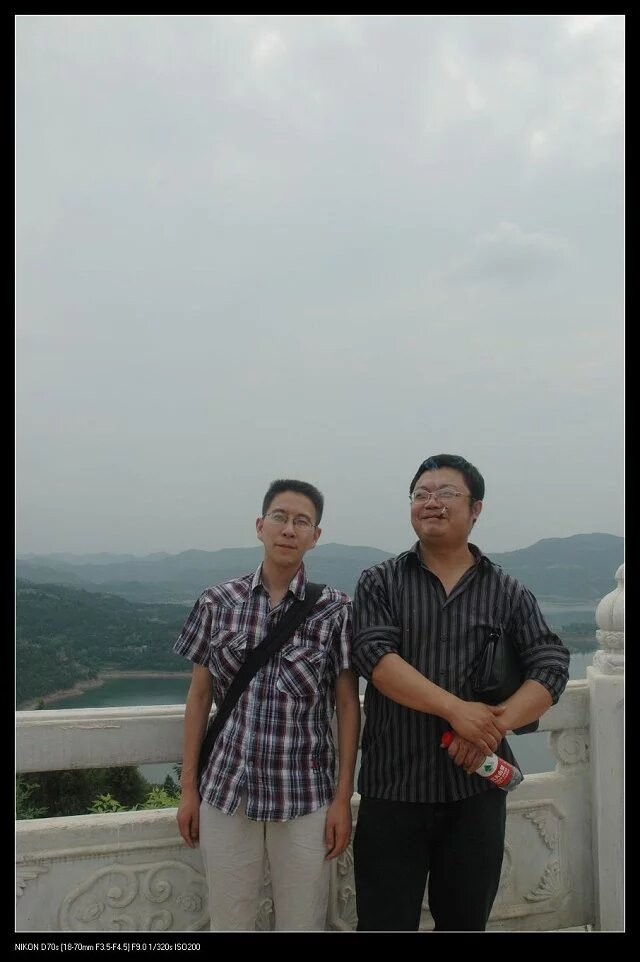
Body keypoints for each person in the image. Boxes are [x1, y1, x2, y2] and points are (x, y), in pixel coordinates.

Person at [351, 454, 570, 932]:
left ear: (476, 509)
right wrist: (456, 711)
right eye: (421, 494)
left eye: (446, 493)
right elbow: (375, 659)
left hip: (475, 793)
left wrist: (491, 725)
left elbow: (551, 663)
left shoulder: (508, 591)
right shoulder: (380, 581)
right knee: (384, 923)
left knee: (465, 922)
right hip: (394, 787)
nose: (431, 502)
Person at [174, 479, 360, 932]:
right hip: (226, 790)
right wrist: (188, 789)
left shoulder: (336, 610)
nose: (289, 529)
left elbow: (346, 706)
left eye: (302, 521)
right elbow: (199, 697)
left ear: (315, 536)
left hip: (304, 795)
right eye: (279, 517)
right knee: (229, 920)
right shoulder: (218, 602)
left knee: (303, 922)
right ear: (260, 526)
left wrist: (342, 799)